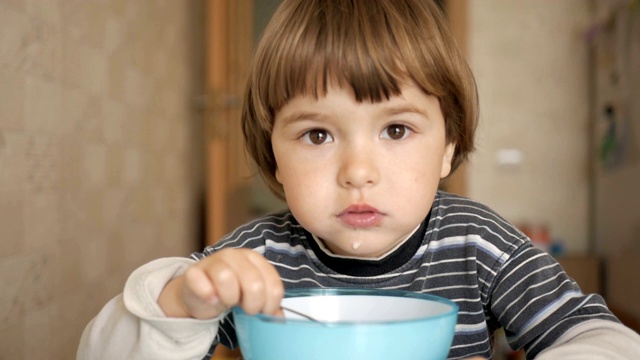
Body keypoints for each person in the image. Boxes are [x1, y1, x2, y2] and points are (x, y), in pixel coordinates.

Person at [77, 0, 640, 359]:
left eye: (395, 129)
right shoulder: (257, 256)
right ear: (274, 159)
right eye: (318, 135)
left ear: (447, 148)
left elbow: (600, 335)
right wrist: (180, 302)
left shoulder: (477, 242)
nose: (358, 173)